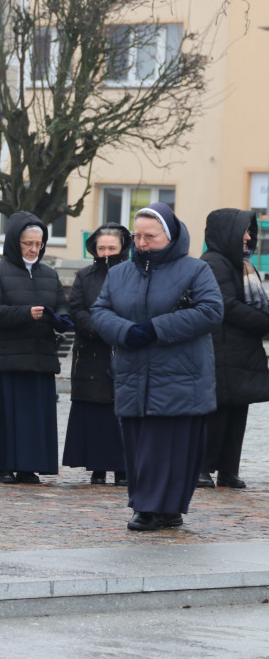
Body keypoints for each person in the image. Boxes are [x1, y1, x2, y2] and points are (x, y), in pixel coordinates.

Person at [91, 202, 222, 531]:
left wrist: (156, 328)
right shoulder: (120, 272)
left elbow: (210, 311)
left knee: (174, 445)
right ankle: (145, 505)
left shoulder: (195, 270)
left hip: (181, 374)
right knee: (140, 445)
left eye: (150, 236)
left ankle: (167, 507)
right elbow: (100, 311)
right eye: (137, 236)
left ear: (171, 235)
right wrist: (125, 331)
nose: (142, 242)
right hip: (134, 373)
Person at [0, 211, 72, 485]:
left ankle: (30, 466)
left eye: (38, 244)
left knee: (35, 417)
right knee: (8, 417)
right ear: (14, 242)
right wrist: (25, 313)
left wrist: (63, 318)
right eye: (28, 244)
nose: (34, 249)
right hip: (8, 357)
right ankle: (5, 465)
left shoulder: (48, 274)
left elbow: (61, 304)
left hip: (40, 356)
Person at [197, 209, 269, 489]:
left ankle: (228, 469)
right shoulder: (214, 263)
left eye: (250, 232)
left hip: (239, 351)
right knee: (216, 413)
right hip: (221, 350)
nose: (248, 237)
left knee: (237, 412)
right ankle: (202, 468)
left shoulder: (240, 263)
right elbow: (226, 306)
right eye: (244, 232)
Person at [62, 223, 131, 486]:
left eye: (111, 248)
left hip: (124, 349)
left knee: (121, 412)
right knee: (95, 413)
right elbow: (77, 308)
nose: (106, 253)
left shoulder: (134, 274)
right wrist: (98, 328)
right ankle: (97, 466)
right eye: (101, 248)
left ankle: (123, 467)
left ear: (122, 247)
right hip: (91, 351)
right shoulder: (85, 276)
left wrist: (120, 330)